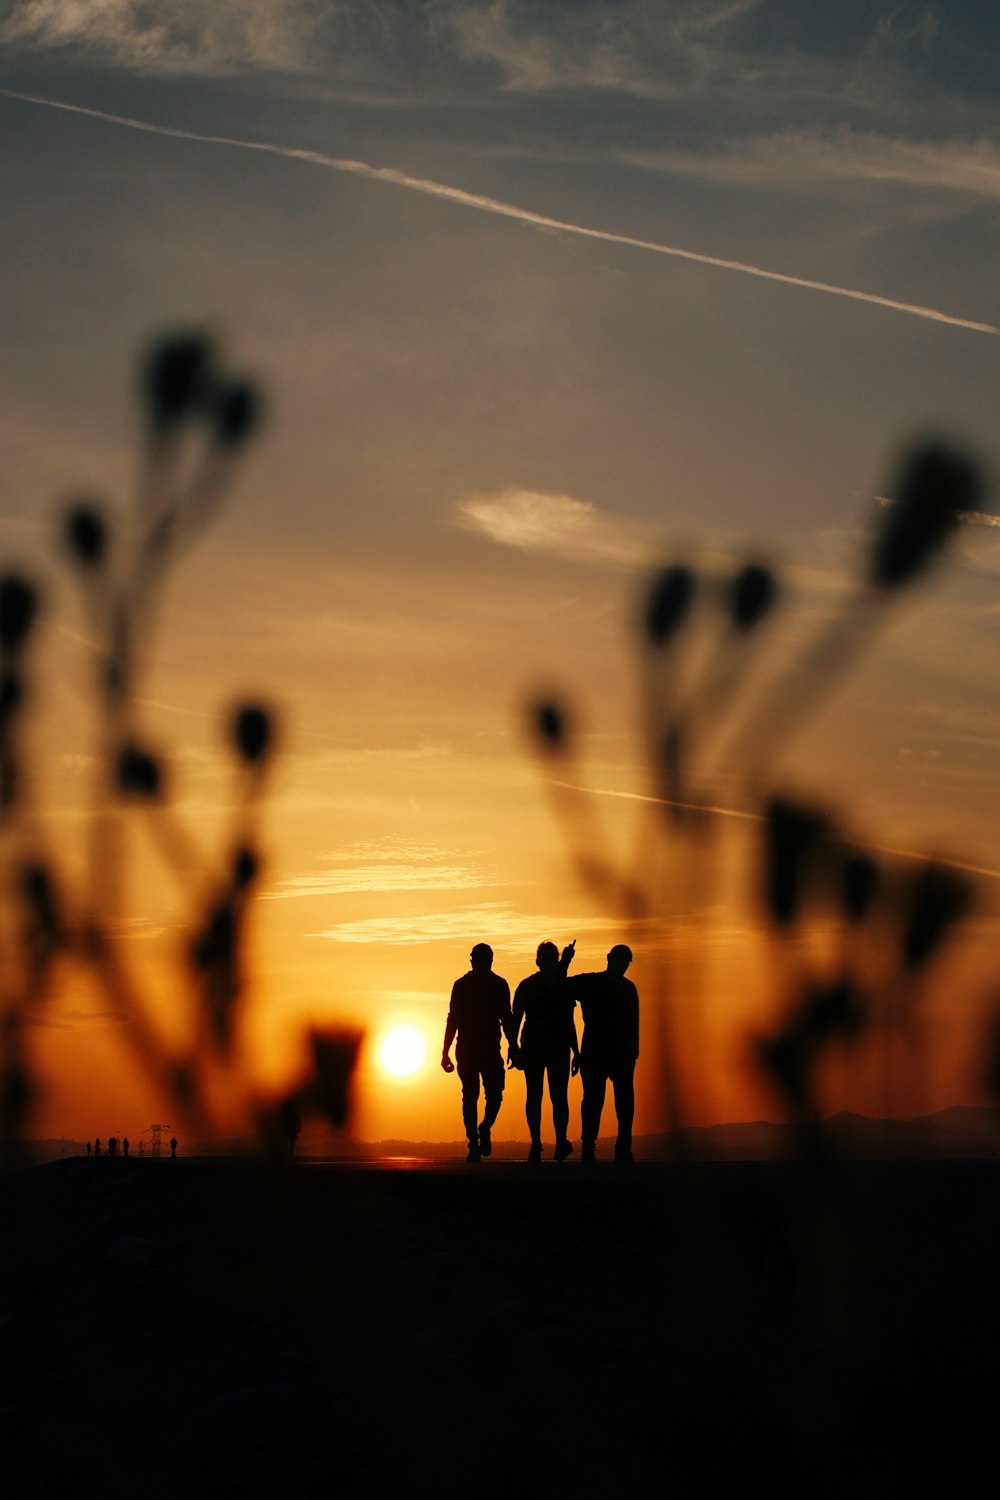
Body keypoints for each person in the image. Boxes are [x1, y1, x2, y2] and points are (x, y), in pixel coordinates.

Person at [442, 942, 518, 1162]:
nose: (482, 963)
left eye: (486, 959)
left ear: (491, 961)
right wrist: (445, 1052)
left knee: (495, 1096)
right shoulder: (461, 985)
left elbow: (507, 1018)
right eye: (479, 959)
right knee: (470, 1095)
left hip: (491, 1050)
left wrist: (514, 1046)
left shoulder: (500, 985)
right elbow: (452, 1019)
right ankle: (473, 1143)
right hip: (466, 1050)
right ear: (472, 960)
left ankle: (484, 1128)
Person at [565, 944, 639, 1162]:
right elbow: (562, 985)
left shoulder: (629, 989)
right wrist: (565, 961)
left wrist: (633, 1053)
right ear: (609, 958)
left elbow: (634, 1023)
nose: (622, 965)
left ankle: (623, 1148)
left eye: (625, 962)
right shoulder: (590, 982)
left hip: (622, 1055)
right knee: (593, 1101)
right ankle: (588, 1146)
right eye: (619, 960)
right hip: (594, 1053)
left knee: (624, 1103)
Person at [511, 940, 579, 1162]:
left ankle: (559, 1142)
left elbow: (570, 1021)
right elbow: (515, 1020)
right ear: (538, 961)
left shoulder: (562, 986)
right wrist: (515, 1049)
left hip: (557, 1048)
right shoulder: (528, 986)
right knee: (536, 1096)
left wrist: (576, 1051)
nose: (549, 963)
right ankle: (536, 1143)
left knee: (558, 1097)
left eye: (553, 959)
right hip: (535, 1047)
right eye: (546, 959)